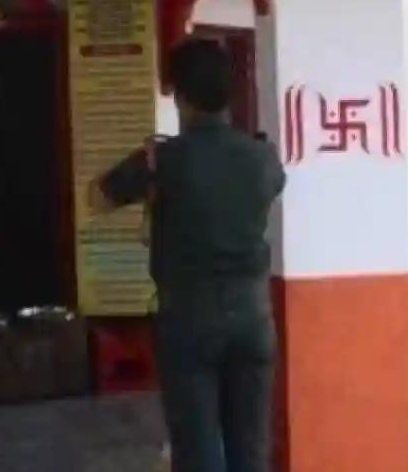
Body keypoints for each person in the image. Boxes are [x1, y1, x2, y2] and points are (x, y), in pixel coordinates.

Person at [91, 38, 287, 472]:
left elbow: (98, 197)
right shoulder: (262, 157)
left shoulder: (163, 160)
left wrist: (149, 177)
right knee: (251, 451)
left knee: (198, 452)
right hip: (254, 317)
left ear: (178, 96)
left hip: (189, 319)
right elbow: (272, 184)